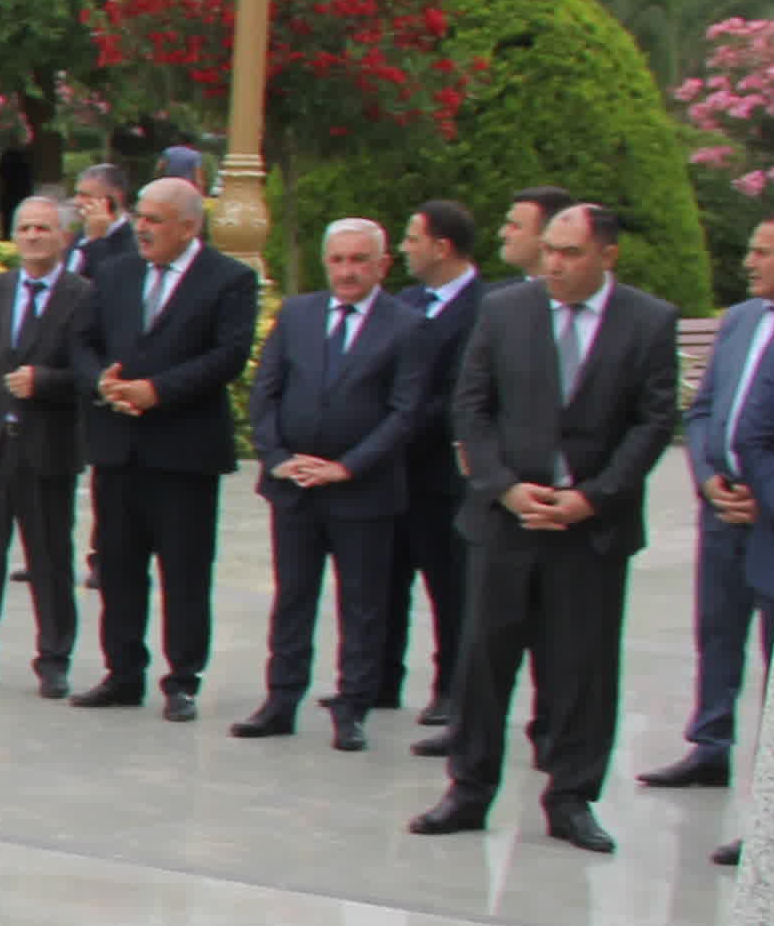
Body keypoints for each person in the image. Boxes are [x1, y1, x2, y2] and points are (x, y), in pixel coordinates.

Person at [413, 194, 680, 855]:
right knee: (484, 662)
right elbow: (472, 407)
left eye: (571, 254)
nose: (554, 264)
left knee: (581, 669)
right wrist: (502, 487)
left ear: (607, 255)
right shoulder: (505, 310)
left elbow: (653, 422)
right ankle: (468, 789)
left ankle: (571, 797)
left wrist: (596, 496)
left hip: (590, 530)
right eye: (550, 251)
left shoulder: (648, 321)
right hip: (506, 522)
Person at [235, 216, 434, 750]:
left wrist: (347, 467)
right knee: (293, 597)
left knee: (363, 604)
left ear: (382, 265)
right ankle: (281, 700)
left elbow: (405, 412)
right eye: (338, 260)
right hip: (295, 486)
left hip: (363, 491)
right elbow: (266, 392)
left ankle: (353, 706)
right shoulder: (297, 314)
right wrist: (277, 457)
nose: (347, 271)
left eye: (359, 260)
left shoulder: (407, 327)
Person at [645, 202, 774, 797]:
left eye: (762, 251)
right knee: (717, 630)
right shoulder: (742, 319)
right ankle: (709, 745)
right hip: (723, 506)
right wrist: (707, 478)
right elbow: (703, 410)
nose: (749, 262)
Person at [70, 177, 258, 721]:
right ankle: (123, 673)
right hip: (118, 449)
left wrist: (158, 391)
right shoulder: (115, 273)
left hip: (184, 453)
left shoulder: (229, 279)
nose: (142, 228)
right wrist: (100, 382)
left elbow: (228, 356)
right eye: (140, 216)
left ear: (189, 226)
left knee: (185, 572)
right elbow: (82, 340)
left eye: (155, 219)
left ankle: (182, 680)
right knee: (118, 568)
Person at [0, 193, 90, 695]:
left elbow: (90, 374)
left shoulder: (82, 296)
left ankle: (54, 657)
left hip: (49, 450)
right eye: (25, 228)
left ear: (63, 236)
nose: (32, 236)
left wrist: (45, 382)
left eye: (43, 228)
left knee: (50, 558)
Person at [383, 198, 489, 733]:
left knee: (450, 587)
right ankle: (379, 677)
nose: (403, 248)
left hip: (444, 474)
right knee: (384, 579)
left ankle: (452, 687)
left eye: (411, 238)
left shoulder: (485, 309)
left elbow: (461, 394)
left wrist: (395, 427)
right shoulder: (405, 302)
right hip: (391, 471)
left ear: (442, 247)